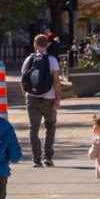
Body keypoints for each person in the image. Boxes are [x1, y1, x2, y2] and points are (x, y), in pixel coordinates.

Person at [21, 34, 62, 167]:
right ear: (48, 45)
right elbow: (56, 81)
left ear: (35, 44)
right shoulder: (52, 60)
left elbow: (23, 80)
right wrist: (58, 99)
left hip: (32, 99)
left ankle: (36, 159)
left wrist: (26, 96)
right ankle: (48, 157)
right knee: (50, 126)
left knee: (33, 129)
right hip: (48, 98)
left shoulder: (29, 59)